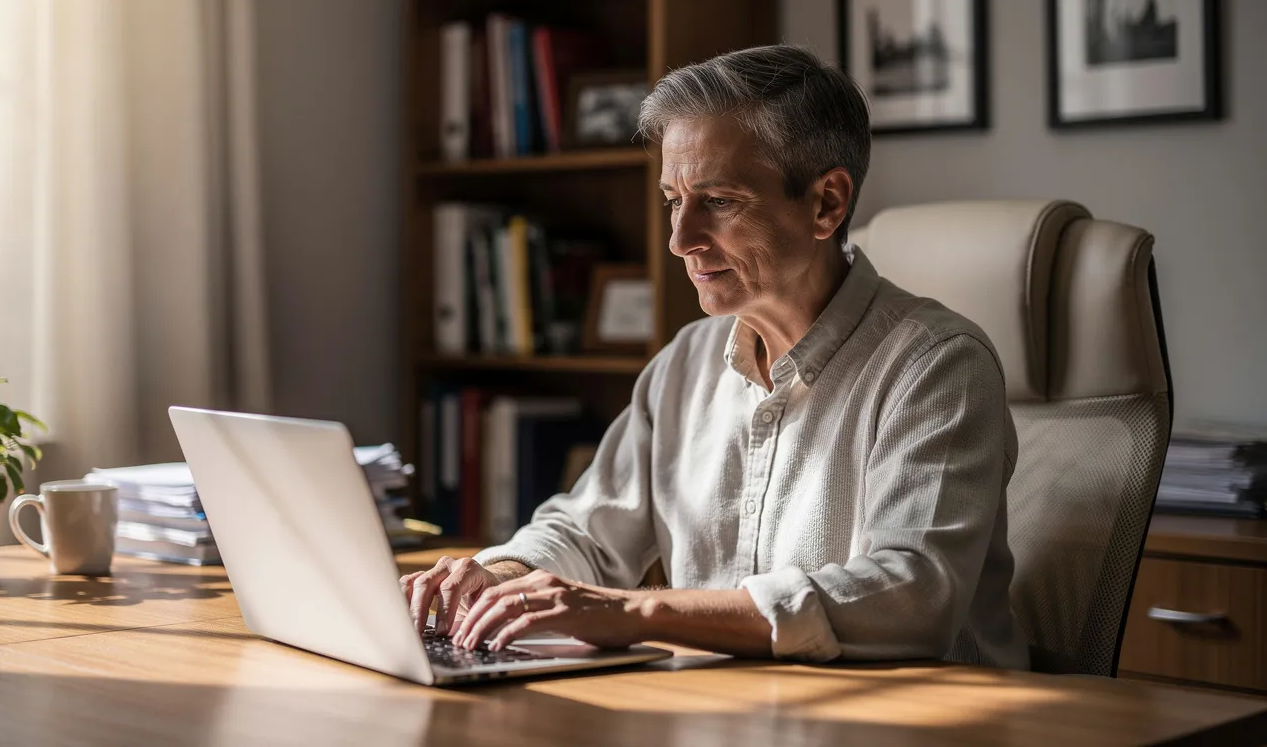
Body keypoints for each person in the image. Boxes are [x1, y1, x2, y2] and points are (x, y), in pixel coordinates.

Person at [400, 45, 1029, 669]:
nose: (680, 241)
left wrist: (633, 611)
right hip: (727, 714)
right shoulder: (686, 362)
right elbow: (588, 529)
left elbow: (911, 596)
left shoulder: (938, 366)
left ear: (826, 205)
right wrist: (496, 574)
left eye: (719, 202)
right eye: (674, 200)